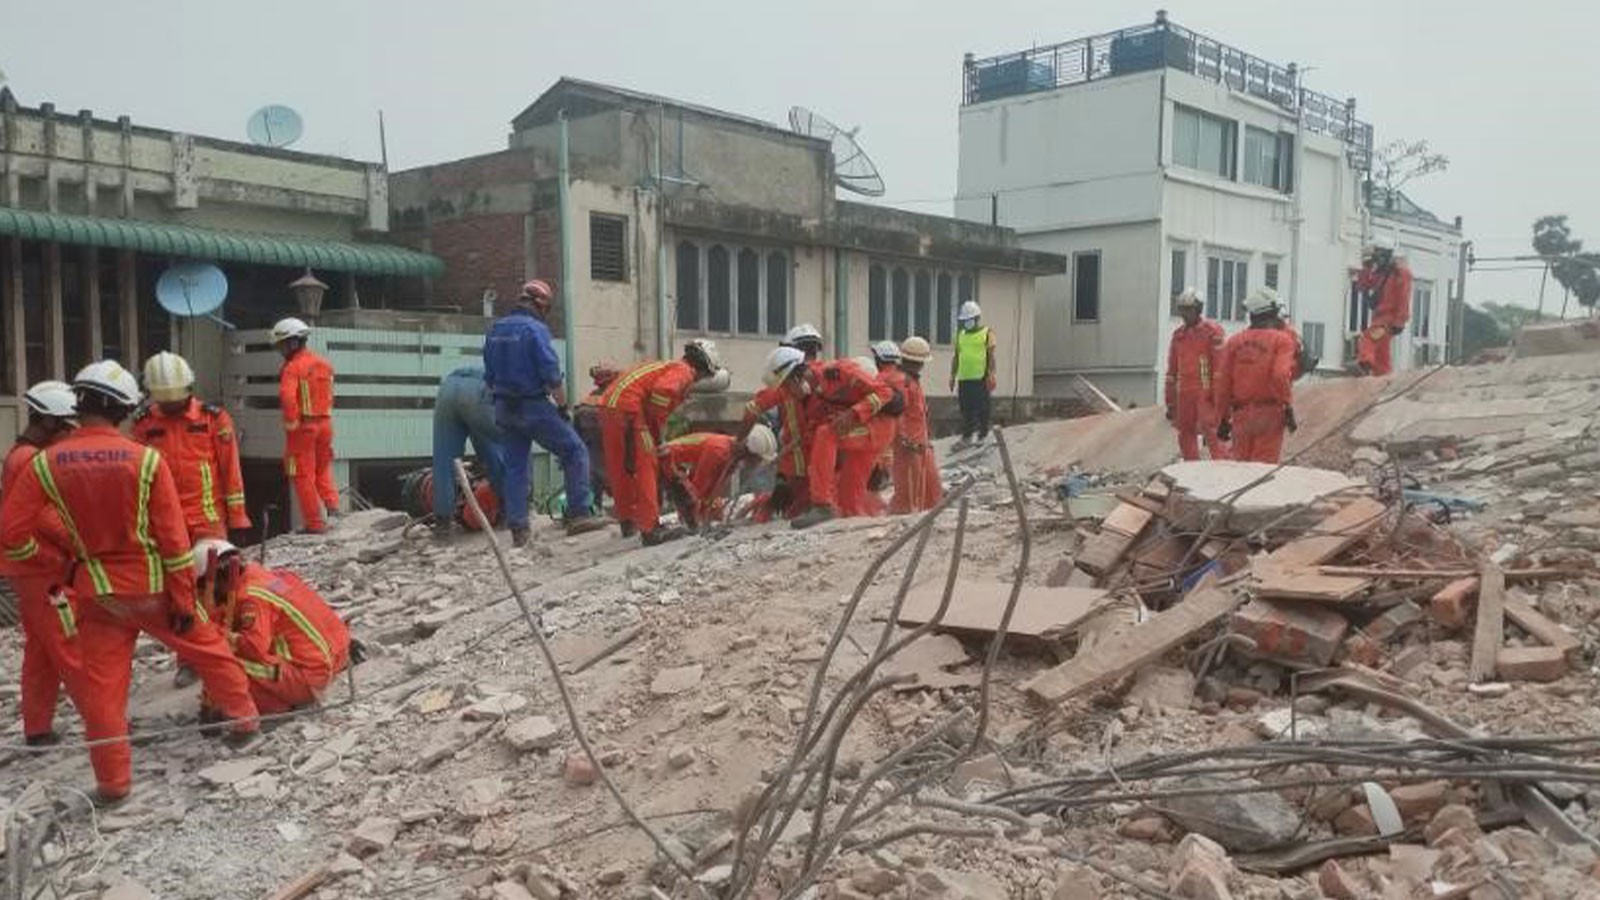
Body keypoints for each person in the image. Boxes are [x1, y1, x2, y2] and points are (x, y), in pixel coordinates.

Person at [0, 361, 259, 803]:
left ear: (80, 403)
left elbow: (11, 535)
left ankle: (113, 783)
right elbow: (174, 542)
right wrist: (182, 599)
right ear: (122, 409)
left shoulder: (44, 465)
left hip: (99, 594)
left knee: (103, 691)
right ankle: (244, 723)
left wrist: (62, 567)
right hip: (153, 587)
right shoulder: (145, 460)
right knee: (211, 651)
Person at [482, 280, 608, 546]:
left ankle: (519, 528)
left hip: (504, 407)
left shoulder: (496, 329)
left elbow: (489, 375)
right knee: (575, 451)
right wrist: (562, 407)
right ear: (541, 305)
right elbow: (551, 375)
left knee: (515, 467)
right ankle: (579, 514)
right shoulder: (535, 329)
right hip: (532, 405)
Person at [1, 381, 80, 746]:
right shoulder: (32, 461)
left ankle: (37, 728)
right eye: (67, 427)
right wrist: (81, 545)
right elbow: (46, 517)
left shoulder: (19, 455)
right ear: (49, 423)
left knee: (41, 653)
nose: (70, 434)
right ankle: (105, 723)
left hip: (29, 572)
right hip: (44, 571)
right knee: (70, 646)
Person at [193, 539, 351, 714]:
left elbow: (254, 647)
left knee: (222, 662)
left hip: (309, 678)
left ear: (213, 581)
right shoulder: (267, 577)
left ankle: (261, 708)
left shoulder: (251, 598)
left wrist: (220, 637)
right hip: (337, 651)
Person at [598, 340, 723, 545]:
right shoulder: (684, 371)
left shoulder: (663, 366)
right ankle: (650, 529)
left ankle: (628, 521)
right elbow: (662, 393)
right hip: (630, 408)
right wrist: (656, 437)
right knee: (646, 465)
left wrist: (657, 439)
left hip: (610, 406)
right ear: (703, 367)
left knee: (621, 467)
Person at [769, 349, 897, 529]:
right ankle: (854, 536)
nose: (788, 393)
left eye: (787, 386)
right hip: (859, 435)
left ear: (797, 377)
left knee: (825, 434)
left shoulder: (840, 372)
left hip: (878, 426)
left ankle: (822, 504)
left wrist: (854, 413)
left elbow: (885, 393)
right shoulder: (813, 396)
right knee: (848, 501)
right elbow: (813, 430)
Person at [132, 352, 250, 541]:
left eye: (175, 398)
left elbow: (231, 471)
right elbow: (137, 477)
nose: (171, 404)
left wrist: (238, 518)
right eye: (165, 400)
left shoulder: (213, 419)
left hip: (207, 520)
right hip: (163, 521)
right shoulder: (144, 423)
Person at [738, 324, 825, 519]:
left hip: (809, 463)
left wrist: (738, 441)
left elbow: (753, 409)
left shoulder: (798, 380)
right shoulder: (820, 377)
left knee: (797, 509)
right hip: (804, 462)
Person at [1214, 290, 1300, 464]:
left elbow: (1223, 384)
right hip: (1270, 413)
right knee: (1262, 470)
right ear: (1272, 312)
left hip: (1240, 415)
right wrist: (1287, 406)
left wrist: (1222, 417)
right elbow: (1280, 375)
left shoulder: (1233, 342)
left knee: (1240, 468)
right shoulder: (1282, 340)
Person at [272, 318, 339, 533]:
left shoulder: (293, 368)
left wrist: (292, 423)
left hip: (304, 428)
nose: (280, 350)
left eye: (281, 345)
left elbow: (287, 396)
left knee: (302, 475)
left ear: (292, 342)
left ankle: (315, 524)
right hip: (325, 424)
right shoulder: (324, 364)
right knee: (322, 469)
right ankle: (333, 507)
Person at [430, 365, 507, 536]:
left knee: (444, 460)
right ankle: (511, 509)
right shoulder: (519, 377)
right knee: (504, 446)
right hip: (477, 389)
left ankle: (443, 523)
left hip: (447, 388)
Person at [658, 425, 778, 529]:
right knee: (692, 505)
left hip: (674, 467)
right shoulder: (718, 452)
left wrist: (715, 511)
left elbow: (714, 491)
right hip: (663, 464)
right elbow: (697, 490)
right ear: (748, 451)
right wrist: (699, 518)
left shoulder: (730, 456)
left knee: (712, 508)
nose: (756, 464)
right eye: (757, 460)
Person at [1164, 290, 1228, 461]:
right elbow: (1171, 371)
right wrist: (1170, 401)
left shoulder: (1212, 331)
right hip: (1184, 392)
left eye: (1188, 309)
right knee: (1185, 431)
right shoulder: (1179, 335)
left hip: (1205, 391)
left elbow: (1220, 367)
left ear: (1198, 309)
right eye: (1182, 309)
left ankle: (1222, 468)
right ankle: (1191, 467)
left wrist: (1218, 398)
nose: (1184, 314)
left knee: (1212, 430)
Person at [890, 337, 943, 513]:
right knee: (908, 494)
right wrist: (904, 439)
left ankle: (927, 517)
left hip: (920, 446)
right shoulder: (903, 383)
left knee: (930, 491)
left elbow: (919, 415)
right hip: (909, 448)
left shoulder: (912, 381)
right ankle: (898, 520)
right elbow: (897, 414)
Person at [1353, 236, 1413, 377]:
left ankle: (1365, 364)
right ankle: (1383, 377)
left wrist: (1399, 321)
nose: (1375, 260)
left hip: (1387, 320)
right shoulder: (1382, 274)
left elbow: (1403, 297)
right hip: (1380, 319)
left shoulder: (1400, 273)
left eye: (1376, 256)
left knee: (1368, 339)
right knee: (1381, 353)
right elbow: (1364, 286)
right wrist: (1366, 267)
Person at [949, 301, 997, 449]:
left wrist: (991, 374)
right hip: (964, 378)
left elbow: (991, 356)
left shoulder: (987, 333)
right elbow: (956, 356)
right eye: (965, 320)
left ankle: (983, 435)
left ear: (977, 318)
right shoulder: (960, 335)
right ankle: (967, 436)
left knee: (983, 407)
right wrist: (952, 375)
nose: (966, 323)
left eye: (969, 319)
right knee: (966, 409)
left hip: (980, 377)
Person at [574, 362, 620, 514]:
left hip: (590, 457)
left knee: (592, 488)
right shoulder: (616, 402)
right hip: (610, 457)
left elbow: (576, 434)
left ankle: (591, 511)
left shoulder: (583, 405)